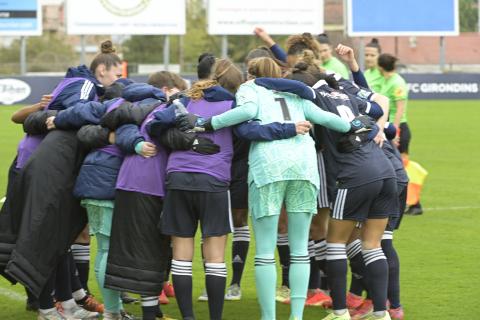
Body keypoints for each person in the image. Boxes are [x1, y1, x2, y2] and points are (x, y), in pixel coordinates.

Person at [179, 57, 366, 320]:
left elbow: (245, 113)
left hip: (268, 167)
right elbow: (325, 117)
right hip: (303, 167)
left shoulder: (250, 88)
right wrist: (353, 126)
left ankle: (269, 317)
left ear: (251, 74)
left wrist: (207, 123)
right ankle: (296, 316)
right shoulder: (293, 91)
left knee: (265, 251)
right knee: (300, 247)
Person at [255, 64, 394, 320]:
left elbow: (296, 87)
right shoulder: (344, 94)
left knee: (335, 243)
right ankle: (381, 312)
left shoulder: (313, 96)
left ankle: (340, 311)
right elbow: (377, 109)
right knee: (372, 245)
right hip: (385, 172)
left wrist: (259, 81)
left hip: (354, 174)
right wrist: (376, 128)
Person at [1, 40, 122, 320]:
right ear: (102, 70)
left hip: (47, 164)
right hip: (40, 165)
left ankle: (67, 302)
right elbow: (73, 112)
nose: (119, 79)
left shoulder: (84, 85)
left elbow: (38, 117)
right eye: (117, 74)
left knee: (57, 237)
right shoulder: (85, 85)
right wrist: (66, 117)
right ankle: (46, 306)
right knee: (42, 236)